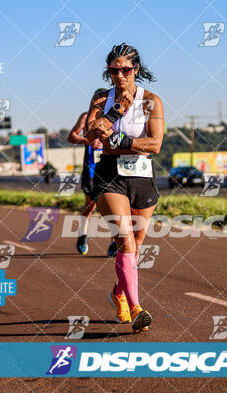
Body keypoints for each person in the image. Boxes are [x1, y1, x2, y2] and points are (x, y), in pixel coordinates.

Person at [86, 43, 164, 333]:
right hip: (109, 176)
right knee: (125, 241)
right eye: (114, 70)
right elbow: (91, 131)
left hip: (142, 175)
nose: (120, 75)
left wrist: (122, 142)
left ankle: (119, 292)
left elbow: (155, 144)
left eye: (125, 69)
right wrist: (117, 111)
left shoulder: (151, 101)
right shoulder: (101, 98)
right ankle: (136, 308)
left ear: (136, 70)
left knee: (137, 244)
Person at [67, 105, 117, 257]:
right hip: (91, 168)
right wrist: (89, 142)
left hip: (111, 166)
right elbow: (71, 137)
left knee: (112, 206)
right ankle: (82, 234)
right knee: (91, 205)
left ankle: (115, 242)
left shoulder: (115, 117)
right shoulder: (85, 117)